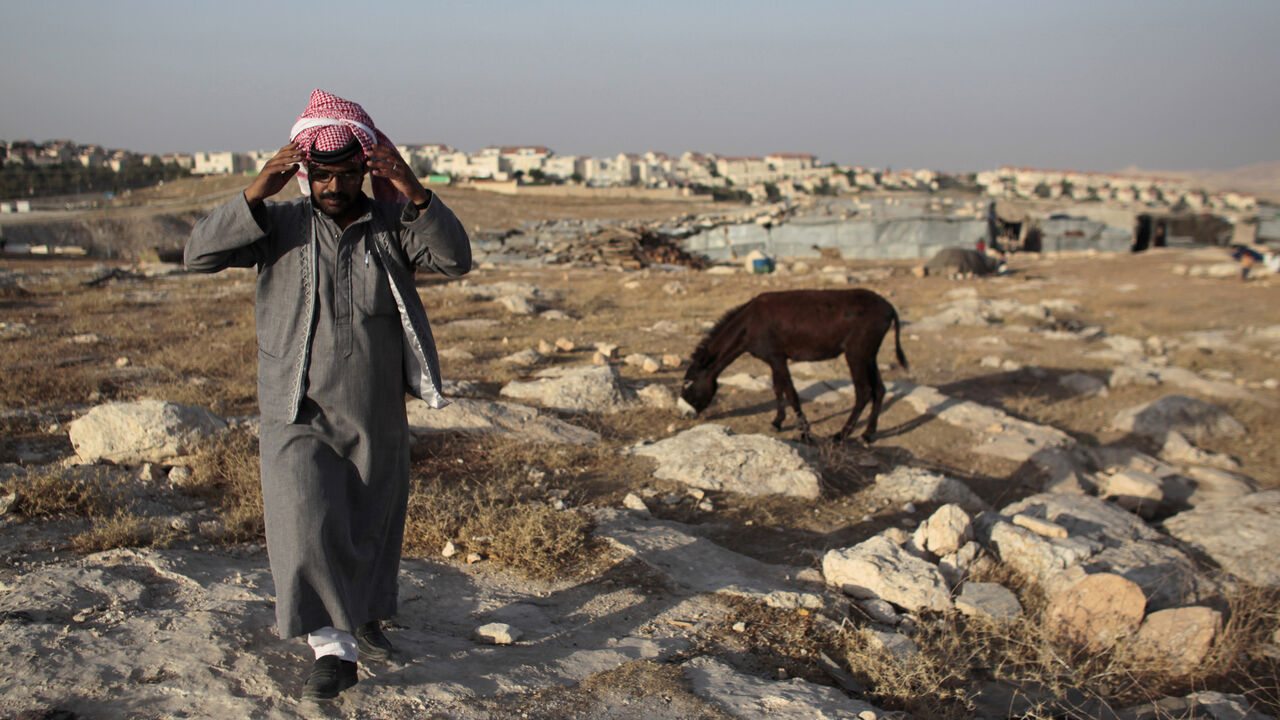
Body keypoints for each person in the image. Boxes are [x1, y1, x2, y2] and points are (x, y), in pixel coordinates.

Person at [185, 89, 471, 701]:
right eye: (322, 174)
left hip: (375, 405)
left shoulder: (392, 225)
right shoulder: (278, 226)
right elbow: (198, 254)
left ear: (365, 170)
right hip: (295, 406)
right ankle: (331, 648)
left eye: (346, 174)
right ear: (304, 173)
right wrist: (259, 187)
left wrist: (415, 190)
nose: (333, 186)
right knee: (303, 517)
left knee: (368, 520)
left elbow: (455, 260)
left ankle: (363, 621)